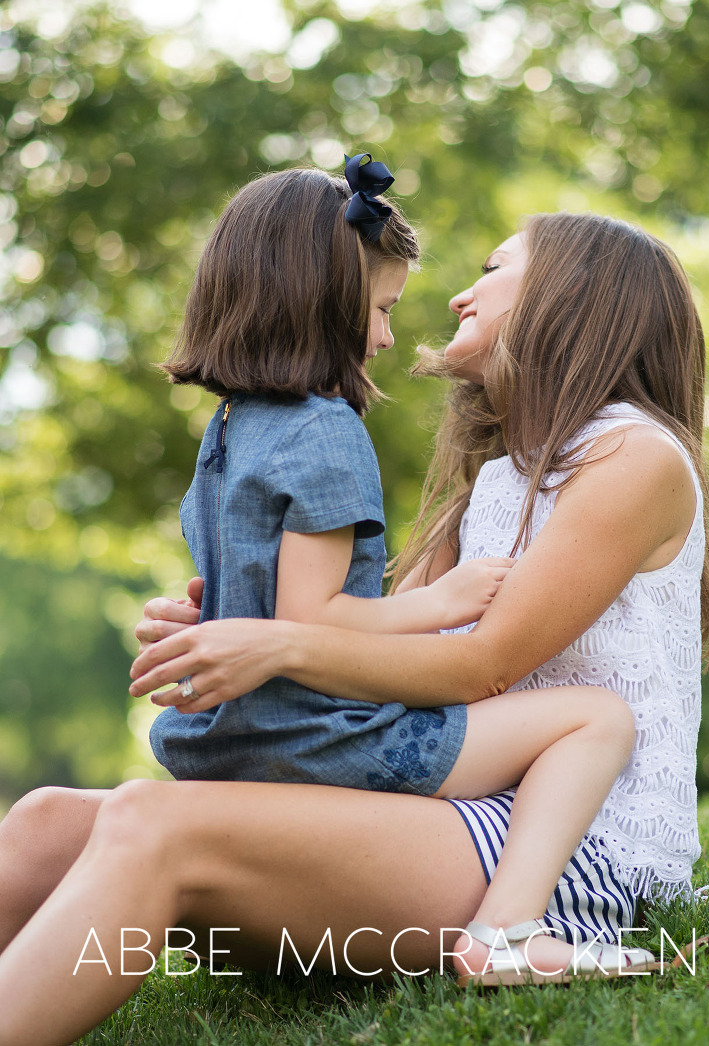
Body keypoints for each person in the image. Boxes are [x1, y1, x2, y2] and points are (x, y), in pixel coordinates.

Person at [0, 211, 709, 1046]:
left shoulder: (633, 458)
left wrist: (278, 643)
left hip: (567, 854)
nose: (460, 294)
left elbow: (482, 668)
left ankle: (512, 935)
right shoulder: (491, 484)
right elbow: (374, 648)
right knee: (45, 819)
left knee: (153, 822)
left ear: (574, 300)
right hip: (449, 803)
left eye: (493, 269)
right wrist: (228, 625)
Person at [145, 155, 642, 983]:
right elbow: (320, 620)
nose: (386, 335)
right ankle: (508, 934)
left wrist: (231, 622)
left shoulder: (229, 430)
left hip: (222, 736)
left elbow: (281, 611)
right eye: (380, 309)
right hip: (317, 737)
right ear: (324, 299)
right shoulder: (325, 429)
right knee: (596, 717)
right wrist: (439, 600)